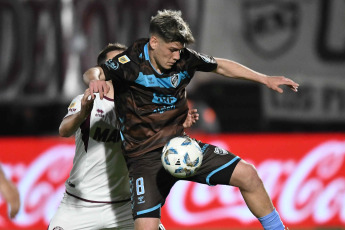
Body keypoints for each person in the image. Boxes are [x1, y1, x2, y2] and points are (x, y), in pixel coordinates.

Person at [84, 10, 298, 230]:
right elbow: (94, 71)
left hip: (181, 148)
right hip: (144, 159)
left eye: (180, 49)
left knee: (249, 175)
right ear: (154, 42)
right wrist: (94, 81)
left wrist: (264, 78)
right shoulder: (130, 62)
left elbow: (221, 65)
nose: (177, 56)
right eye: (173, 50)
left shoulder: (185, 59)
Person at [49, 43, 199, 230]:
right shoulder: (88, 100)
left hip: (125, 206)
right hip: (80, 205)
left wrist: (176, 127)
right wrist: (82, 114)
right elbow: (64, 130)